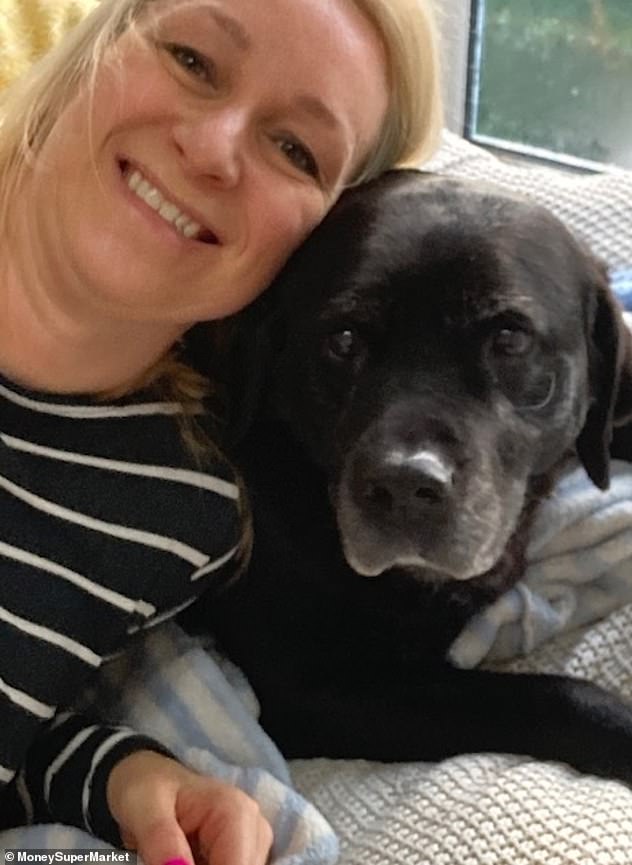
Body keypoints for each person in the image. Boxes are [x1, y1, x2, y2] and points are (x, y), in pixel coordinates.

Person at [0, 0, 442, 863]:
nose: (210, 149)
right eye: (193, 61)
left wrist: (129, 780)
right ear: (101, 41)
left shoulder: (188, 506)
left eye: (294, 149)